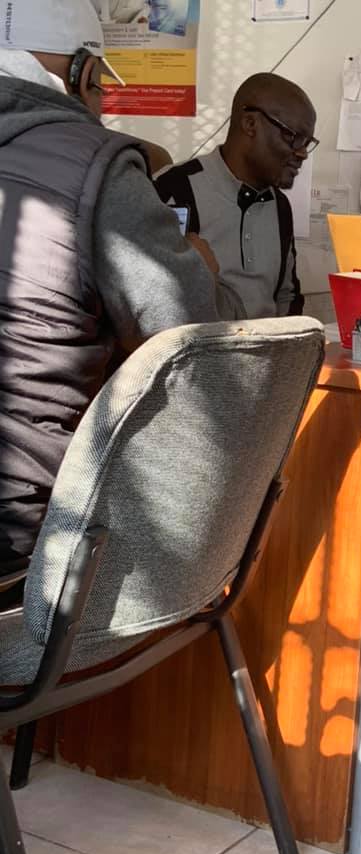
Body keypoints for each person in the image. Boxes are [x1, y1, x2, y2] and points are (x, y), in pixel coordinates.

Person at [0, 0, 241, 578]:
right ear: (84, 72)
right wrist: (199, 266)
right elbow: (192, 339)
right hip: (23, 536)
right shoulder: (93, 163)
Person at [156, 73, 318, 320]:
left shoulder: (280, 206)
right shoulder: (173, 189)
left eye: (308, 143)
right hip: (200, 343)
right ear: (250, 124)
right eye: (294, 137)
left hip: (269, 343)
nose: (303, 153)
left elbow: (288, 297)